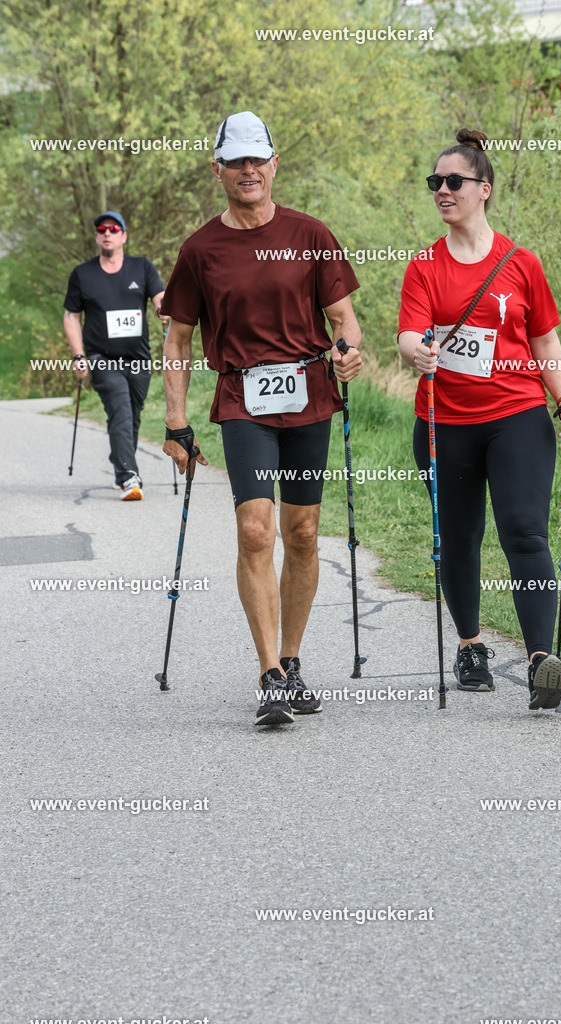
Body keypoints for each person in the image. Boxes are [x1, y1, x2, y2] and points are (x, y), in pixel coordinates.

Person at [160, 111, 362, 727]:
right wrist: (175, 423)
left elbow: (345, 320)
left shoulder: (311, 234)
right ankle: (269, 672)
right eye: (236, 161)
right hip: (243, 398)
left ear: (274, 164)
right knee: (256, 530)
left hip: (309, 395)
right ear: (217, 168)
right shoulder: (200, 249)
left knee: (302, 535)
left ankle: (294, 661)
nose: (249, 171)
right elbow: (178, 340)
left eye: (258, 160)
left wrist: (350, 351)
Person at [398, 128, 561, 710]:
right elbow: (408, 335)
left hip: (518, 415)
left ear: (484, 189)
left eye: (453, 181)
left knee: (525, 532)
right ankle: (470, 644)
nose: (442, 190)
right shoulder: (424, 266)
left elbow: (544, 340)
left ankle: (539, 662)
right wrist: (418, 352)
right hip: (444, 420)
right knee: (460, 538)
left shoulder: (521, 262)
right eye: (435, 182)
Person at [64, 211, 166, 500]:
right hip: (100, 357)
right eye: (101, 229)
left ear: (123, 235)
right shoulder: (83, 274)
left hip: (138, 358)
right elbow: (71, 316)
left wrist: (165, 308)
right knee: (120, 407)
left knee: (132, 416)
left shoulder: (142, 267)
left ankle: (121, 462)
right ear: (97, 237)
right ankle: (128, 476)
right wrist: (78, 356)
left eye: (113, 228)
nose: (107, 233)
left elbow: (160, 297)